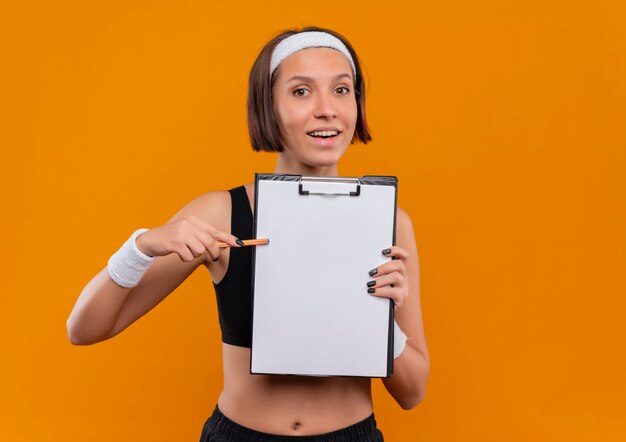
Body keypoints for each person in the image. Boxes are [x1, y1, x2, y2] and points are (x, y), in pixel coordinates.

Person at [67, 26, 430, 441]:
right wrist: (142, 246)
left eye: (342, 90)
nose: (327, 109)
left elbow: (412, 392)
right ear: (268, 106)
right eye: (301, 92)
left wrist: (383, 323)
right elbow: (84, 330)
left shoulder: (389, 221)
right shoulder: (223, 213)